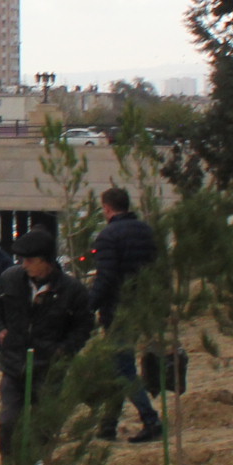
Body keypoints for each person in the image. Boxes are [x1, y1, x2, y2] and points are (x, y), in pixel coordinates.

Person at [0, 229, 97, 465]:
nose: (24, 265)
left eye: (30, 260)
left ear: (46, 260)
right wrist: (0, 330)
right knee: (8, 422)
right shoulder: (10, 279)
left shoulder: (73, 291)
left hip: (49, 369)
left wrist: (64, 350)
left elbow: (84, 326)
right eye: (22, 260)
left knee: (43, 429)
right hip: (14, 365)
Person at [89, 187, 164, 444]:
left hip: (118, 310)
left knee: (123, 368)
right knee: (116, 366)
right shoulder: (147, 230)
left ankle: (151, 420)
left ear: (107, 208)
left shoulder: (108, 237)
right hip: (142, 306)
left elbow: (106, 277)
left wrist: (88, 305)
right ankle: (108, 424)